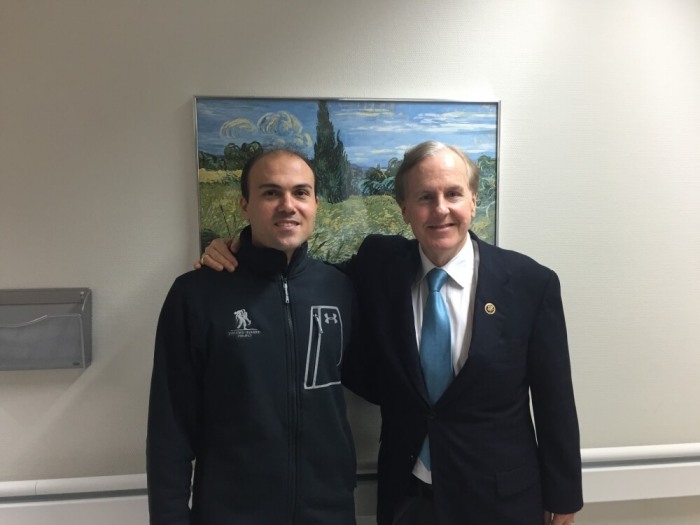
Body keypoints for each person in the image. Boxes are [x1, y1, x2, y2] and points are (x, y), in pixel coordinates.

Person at [198, 141, 583, 525]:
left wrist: (564, 496)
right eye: (425, 197)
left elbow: (555, 399)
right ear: (404, 210)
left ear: (473, 200)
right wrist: (238, 249)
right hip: (407, 496)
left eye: (453, 194)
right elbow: (302, 280)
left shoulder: (531, 284)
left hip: (501, 500)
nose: (441, 209)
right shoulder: (379, 265)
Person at [147, 149, 358, 524]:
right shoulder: (196, 295)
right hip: (231, 513)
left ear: (316, 204)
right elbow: (170, 428)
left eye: (301, 192)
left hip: (329, 512)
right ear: (245, 205)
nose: (287, 205)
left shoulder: (339, 288)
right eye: (271, 193)